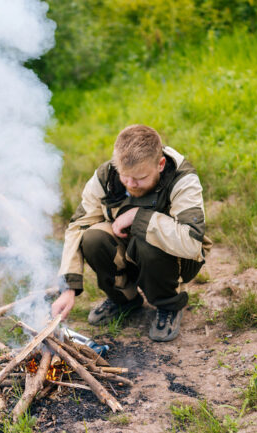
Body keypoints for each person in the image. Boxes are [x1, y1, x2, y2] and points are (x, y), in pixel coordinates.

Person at [51, 124, 212, 342]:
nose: (130, 184)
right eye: (125, 176)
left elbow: (192, 242)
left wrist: (139, 216)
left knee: (148, 238)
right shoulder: (106, 176)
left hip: (176, 261)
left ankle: (168, 304)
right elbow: (79, 225)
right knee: (92, 237)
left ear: (160, 164)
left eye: (140, 178)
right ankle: (124, 299)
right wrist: (68, 288)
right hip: (129, 250)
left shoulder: (182, 179)